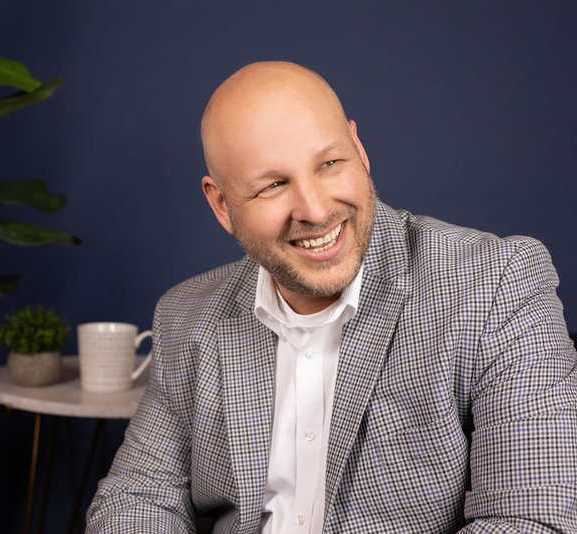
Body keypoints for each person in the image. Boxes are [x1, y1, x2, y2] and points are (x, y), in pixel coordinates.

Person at [85, 61, 577, 533]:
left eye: (330, 163)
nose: (316, 208)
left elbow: (534, 517)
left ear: (359, 151)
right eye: (274, 185)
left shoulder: (496, 283)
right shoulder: (187, 314)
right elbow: (137, 497)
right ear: (221, 204)